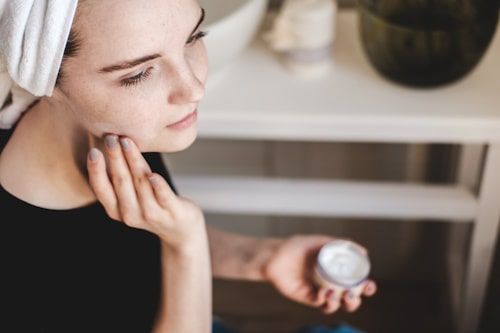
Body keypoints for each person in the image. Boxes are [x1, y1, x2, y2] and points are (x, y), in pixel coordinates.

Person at [0, 1, 377, 332]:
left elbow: (136, 246)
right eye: (139, 74)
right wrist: (186, 247)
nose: (193, 88)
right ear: (47, 81)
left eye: (194, 38)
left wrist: (260, 258)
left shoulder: (115, 131)